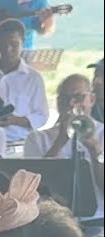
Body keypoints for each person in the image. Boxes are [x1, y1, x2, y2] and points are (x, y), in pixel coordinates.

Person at [23, 74, 104, 220]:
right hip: (52, 220)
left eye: (78, 97)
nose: (72, 104)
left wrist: (95, 150)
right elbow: (34, 188)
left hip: (98, 219)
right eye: (65, 99)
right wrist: (60, 141)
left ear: (91, 99)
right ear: (58, 103)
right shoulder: (37, 139)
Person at [0, 19, 49, 143]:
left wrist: (16, 120)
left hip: (18, 142)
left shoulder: (33, 78)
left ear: (23, 42)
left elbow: (42, 116)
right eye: (3, 44)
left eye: (14, 44)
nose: (8, 49)